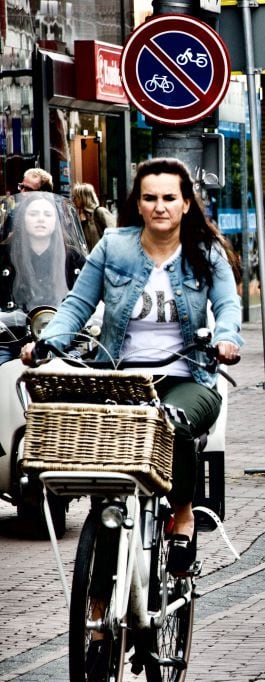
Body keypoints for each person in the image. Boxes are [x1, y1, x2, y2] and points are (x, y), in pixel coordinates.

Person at [22, 157, 242, 576]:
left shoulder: (205, 252)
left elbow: (228, 305)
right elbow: (77, 306)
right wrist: (47, 342)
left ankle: (183, 514)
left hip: (187, 376)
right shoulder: (113, 247)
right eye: (150, 198)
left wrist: (227, 338)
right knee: (101, 454)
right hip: (120, 376)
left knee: (172, 423)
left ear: (186, 204)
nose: (160, 206)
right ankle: (102, 586)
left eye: (169, 198)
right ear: (137, 204)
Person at [0, 192, 86, 363]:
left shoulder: (74, 257)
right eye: (33, 214)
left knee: (79, 372)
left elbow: (90, 297)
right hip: (10, 340)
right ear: (22, 219)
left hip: (63, 340)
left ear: (56, 220)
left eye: (48, 214)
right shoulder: (3, 256)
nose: (41, 219)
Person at [71, 183, 115, 252]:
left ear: (84, 197)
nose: (73, 200)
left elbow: (114, 236)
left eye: (76, 197)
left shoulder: (100, 212)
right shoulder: (81, 216)